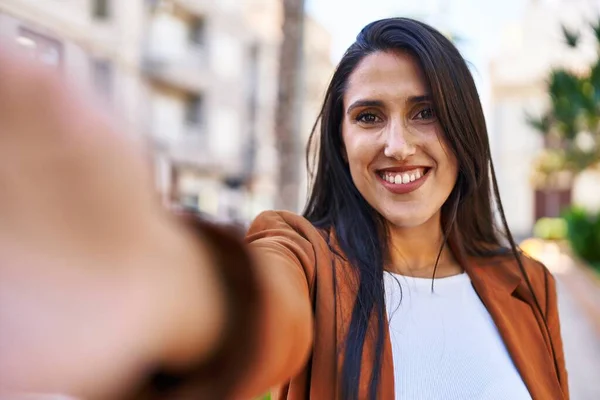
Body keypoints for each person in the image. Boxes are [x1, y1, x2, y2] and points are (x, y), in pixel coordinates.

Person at [0, 18, 568, 400]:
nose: (397, 144)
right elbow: (263, 309)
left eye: (425, 112)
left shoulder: (529, 284)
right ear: (342, 143)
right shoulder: (305, 260)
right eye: (369, 116)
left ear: (464, 126)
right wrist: (160, 284)